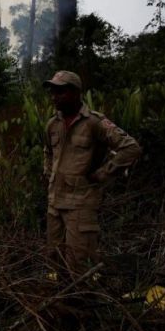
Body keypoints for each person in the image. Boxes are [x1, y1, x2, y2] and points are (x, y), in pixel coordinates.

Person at [43, 70, 141, 279]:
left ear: (76, 93)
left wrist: (103, 174)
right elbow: (48, 152)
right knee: (55, 260)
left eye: (60, 92)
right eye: (53, 91)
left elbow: (130, 148)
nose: (54, 96)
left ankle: (83, 307)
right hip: (55, 204)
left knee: (79, 265)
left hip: (81, 204)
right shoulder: (53, 124)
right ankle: (60, 307)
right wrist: (49, 173)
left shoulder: (94, 122)